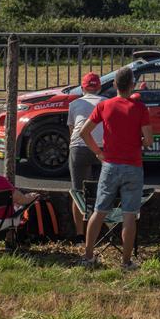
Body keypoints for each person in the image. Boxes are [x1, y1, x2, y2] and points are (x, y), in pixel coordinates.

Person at [76, 66, 153, 270]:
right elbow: (149, 141)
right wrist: (138, 138)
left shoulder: (105, 105)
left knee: (99, 211)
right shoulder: (140, 108)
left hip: (110, 165)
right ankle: (126, 262)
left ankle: (88, 256)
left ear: (115, 85)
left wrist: (98, 153)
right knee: (129, 214)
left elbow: (84, 132)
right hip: (133, 166)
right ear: (132, 85)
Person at [66, 72, 104, 243]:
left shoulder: (75, 104)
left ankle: (79, 235)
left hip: (79, 147)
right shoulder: (107, 102)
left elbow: (72, 129)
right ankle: (97, 233)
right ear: (100, 87)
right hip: (101, 149)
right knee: (102, 192)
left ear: (82, 88)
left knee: (78, 193)